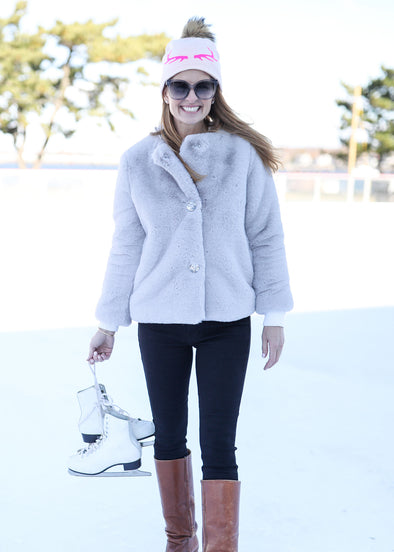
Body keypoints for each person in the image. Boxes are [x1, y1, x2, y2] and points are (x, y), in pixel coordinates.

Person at [87, 16, 293, 552]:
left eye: (203, 86)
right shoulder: (137, 161)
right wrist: (107, 323)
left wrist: (274, 316)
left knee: (220, 444)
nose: (192, 96)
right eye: (181, 85)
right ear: (165, 91)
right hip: (160, 321)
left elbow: (266, 236)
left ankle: (220, 547)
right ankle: (179, 541)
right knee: (172, 438)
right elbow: (126, 244)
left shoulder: (242, 157)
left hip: (227, 319)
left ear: (215, 91)